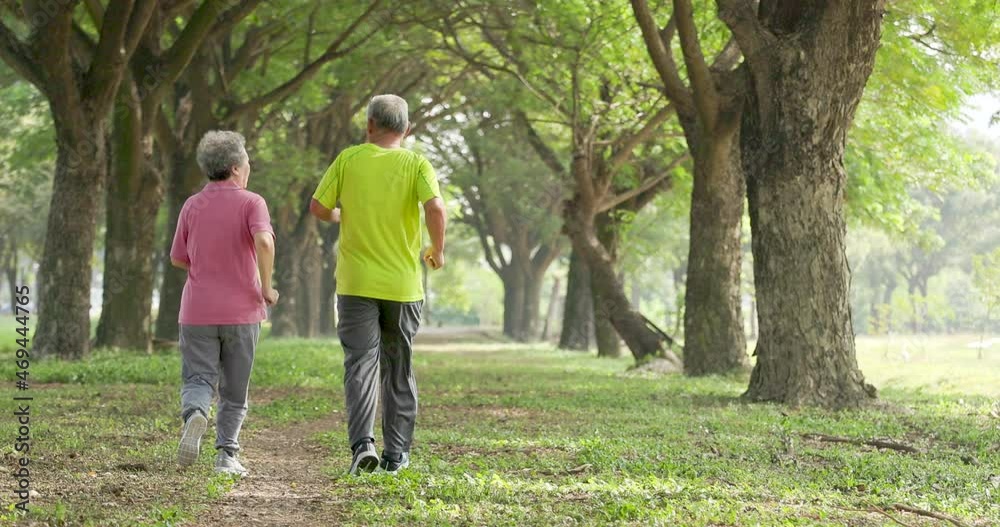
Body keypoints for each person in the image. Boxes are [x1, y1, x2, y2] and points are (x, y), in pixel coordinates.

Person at [310, 94, 447, 475]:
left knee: (360, 364)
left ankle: (362, 446)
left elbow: (318, 208)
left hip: (355, 284)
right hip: (403, 286)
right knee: (398, 366)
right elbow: (435, 207)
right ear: (406, 129)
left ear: (370, 125)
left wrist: (340, 213)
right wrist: (437, 248)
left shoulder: (348, 159)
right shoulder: (417, 163)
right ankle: (396, 454)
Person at [170, 130, 279, 476]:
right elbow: (264, 242)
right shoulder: (252, 202)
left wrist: (207, 265)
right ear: (235, 167)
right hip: (242, 311)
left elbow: (178, 258)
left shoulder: (191, 205)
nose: (250, 166)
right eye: (247, 160)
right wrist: (267, 287)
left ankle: (197, 414)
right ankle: (226, 457)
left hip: (198, 311)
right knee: (235, 388)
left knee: (198, 379)